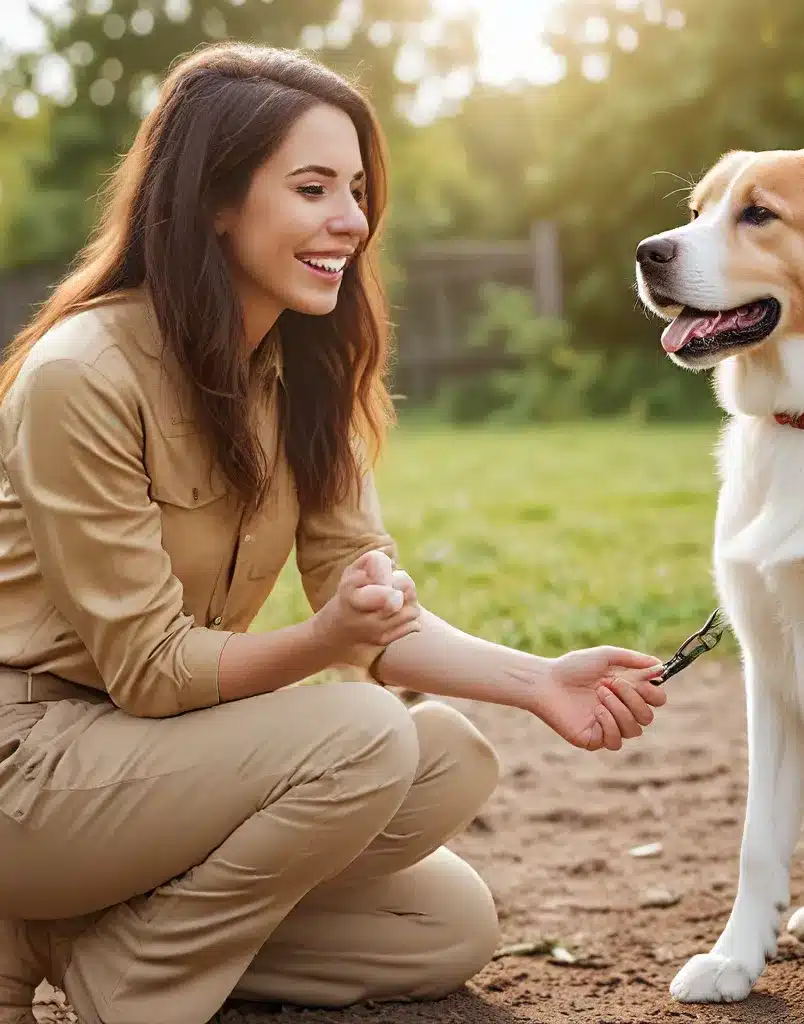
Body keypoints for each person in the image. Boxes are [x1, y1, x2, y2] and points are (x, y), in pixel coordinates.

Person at [0, 43, 668, 1024]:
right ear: (214, 202)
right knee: (363, 736)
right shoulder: (82, 374)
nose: (351, 220)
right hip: (31, 770)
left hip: (150, 768)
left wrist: (539, 682)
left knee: (446, 889)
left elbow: (377, 609)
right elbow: (147, 668)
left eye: (356, 189)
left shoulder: (303, 375)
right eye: (313, 187)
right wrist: (323, 640)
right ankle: (130, 979)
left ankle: (59, 928)